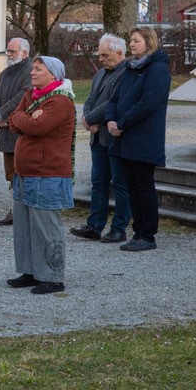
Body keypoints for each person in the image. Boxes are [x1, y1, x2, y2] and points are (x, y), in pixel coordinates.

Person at [6, 56, 75, 294]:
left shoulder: (60, 101)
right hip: (25, 172)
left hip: (47, 174)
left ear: (54, 75)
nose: (32, 72)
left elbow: (38, 127)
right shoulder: (32, 95)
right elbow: (13, 121)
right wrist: (27, 117)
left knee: (46, 227)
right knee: (24, 227)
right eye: (33, 68)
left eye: (38, 69)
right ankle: (31, 271)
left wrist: (26, 118)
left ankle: (53, 276)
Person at [106, 27, 171, 253]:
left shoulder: (157, 69)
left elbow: (148, 103)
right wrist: (110, 120)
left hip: (144, 137)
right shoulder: (130, 69)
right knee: (132, 186)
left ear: (148, 42)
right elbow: (114, 98)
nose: (131, 44)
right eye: (131, 41)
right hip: (125, 138)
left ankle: (148, 234)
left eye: (136, 41)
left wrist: (121, 123)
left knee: (144, 187)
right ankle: (137, 232)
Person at [73, 34, 133, 242]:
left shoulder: (128, 72)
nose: (101, 59)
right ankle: (94, 226)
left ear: (120, 53)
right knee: (98, 182)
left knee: (120, 184)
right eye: (100, 55)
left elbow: (113, 103)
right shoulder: (100, 74)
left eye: (105, 55)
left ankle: (119, 228)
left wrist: (89, 118)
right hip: (97, 137)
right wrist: (86, 118)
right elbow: (90, 100)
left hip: (116, 138)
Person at [0, 38, 33, 225]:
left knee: (24, 171)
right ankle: (14, 209)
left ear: (24, 53)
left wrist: (2, 113)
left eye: (12, 51)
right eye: (8, 51)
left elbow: (23, 96)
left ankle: (24, 211)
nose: (9, 54)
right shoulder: (5, 73)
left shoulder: (30, 71)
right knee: (10, 173)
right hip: (5, 131)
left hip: (21, 131)